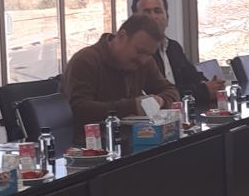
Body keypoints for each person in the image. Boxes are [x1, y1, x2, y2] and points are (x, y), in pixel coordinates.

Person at [63, 13, 179, 141]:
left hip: (134, 138)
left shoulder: (144, 62)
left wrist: (161, 100)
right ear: (122, 36)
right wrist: (131, 106)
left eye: (148, 54)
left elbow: (170, 90)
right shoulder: (85, 61)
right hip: (92, 143)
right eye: (139, 51)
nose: (142, 59)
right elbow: (79, 109)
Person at [130, 0, 222, 108]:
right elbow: (158, 96)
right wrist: (203, 91)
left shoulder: (173, 47)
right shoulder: (136, 53)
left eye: (157, 11)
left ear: (167, 18)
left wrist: (211, 85)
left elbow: (192, 76)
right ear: (134, 20)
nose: (153, 17)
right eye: (146, 12)